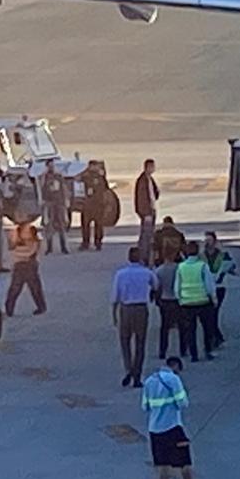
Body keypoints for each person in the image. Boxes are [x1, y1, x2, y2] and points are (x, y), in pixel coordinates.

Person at [141, 357, 213, 479]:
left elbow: (145, 406)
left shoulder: (149, 381)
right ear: (175, 367)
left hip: (155, 429)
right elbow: (182, 403)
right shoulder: (173, 379)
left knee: (162, 464)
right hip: (173, 427)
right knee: (185, 463)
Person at [111, 246, 159, 388]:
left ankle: (128, 368)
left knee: (125, 342)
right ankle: (137, 374)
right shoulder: (146, 272)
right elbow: (156, 285)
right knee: (140, 342)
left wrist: (114, 315)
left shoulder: (120, 274)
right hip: (141, 308)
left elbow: (115, 296)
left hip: (125, 309)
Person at [175, 241, 217, 362]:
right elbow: (209, 284)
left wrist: (180, 299)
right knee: (206, 328)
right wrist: (213, 298)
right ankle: (208, 350)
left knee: (190, 330)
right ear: (198, 252)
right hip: (202, 301)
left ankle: (194, 354)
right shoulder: (203, 266)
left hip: (187, 302)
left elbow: (177, 286)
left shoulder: (181, 267)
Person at [6, 220, 47, 316]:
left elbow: (11, 246)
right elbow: (39, 245)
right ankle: (41, 306)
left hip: (21, 264)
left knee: (15, 289)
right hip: (28, 264)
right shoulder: (31, 232)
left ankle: (9, 309)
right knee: (35, 287)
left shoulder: (16, 232)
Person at [203, 231, 236, 347]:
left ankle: (216, 337)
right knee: (210, 314)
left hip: (219, 287)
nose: (207, 243)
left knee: (213, 313)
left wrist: (225, 271)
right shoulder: (202, 256)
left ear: (215, 242)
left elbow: (232, 266)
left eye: (210, 240)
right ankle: (216, 337)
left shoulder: (222, 255)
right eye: (206, 241)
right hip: (206, 288)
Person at [40, 159, 70, 255]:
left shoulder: (59, 176)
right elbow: (42, 189)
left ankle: (64, 247)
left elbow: (63, 188)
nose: (51, 167)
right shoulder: (45, 177)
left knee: (61, 225)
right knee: (49, 226)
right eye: (50, 165)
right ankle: (49, 247)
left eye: (53, 165)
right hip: (50, 203)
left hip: (59, 203)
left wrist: (65, 200)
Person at [78, 160, 107, 252]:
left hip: (98, 204)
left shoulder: (100, 177)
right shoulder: (85, 176)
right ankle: (86, 243)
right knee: (86, 225)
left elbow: (105, 188)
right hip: (88, 205)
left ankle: (98, 242)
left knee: (99, 225)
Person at [134, 158, 159, 264]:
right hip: (147, 212)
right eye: (152, 166)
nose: (153, 169)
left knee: (149, 234)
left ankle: (147, 255)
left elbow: (154, 193)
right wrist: (145, 213)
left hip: (151, 210)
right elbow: (141, 198)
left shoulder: (150, 179)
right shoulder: (142, 180)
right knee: (146, 235)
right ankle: (143, 256)